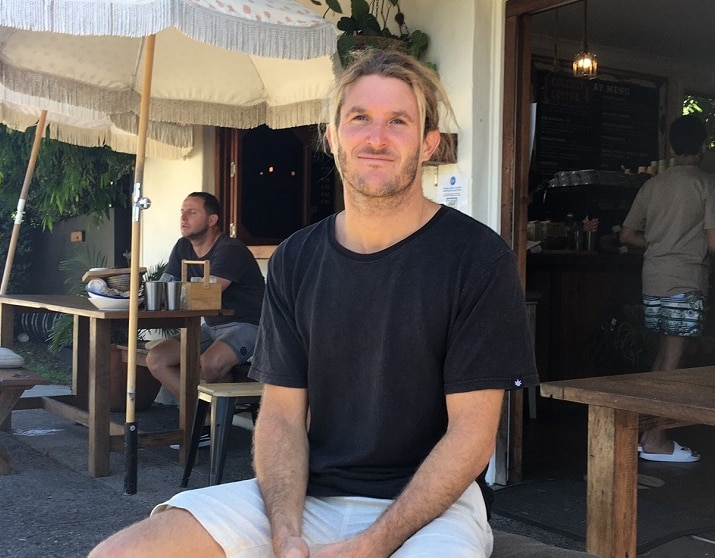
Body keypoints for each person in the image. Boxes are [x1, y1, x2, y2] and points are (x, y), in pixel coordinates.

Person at [89, 50, 538, 558]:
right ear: (331, 137)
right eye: (360, 119)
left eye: (399, 121)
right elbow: (281, 415)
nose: (376, 137)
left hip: (434, 509)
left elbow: (472, 437)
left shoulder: (477, 257)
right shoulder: (295, 258)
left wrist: (371, 544)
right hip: (308, 496)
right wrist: (285, 532)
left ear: (428, 143)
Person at [620, 114, 715, 463]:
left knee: (662, 355)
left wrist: (657, 242)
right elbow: (714, 245)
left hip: (653, 277)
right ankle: (657, 439)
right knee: (674, 361)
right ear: (704, 146)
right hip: (686, 279)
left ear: (670, 147)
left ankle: (646, 431)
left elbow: (627, 235)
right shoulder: (709, 185)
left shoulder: (653, 186)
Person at [146, 192, 265, 401]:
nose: (183, 218)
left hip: (247, 324)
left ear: (212, 220)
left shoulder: (230, 249)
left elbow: (208, 292)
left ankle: (214, 425)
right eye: (182, 212)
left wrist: (169, 291)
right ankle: (201, 418)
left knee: (210, 364)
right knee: (157, 358)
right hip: (210, 326)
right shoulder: (183, 246)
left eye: (191, 212)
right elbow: (166, 283)